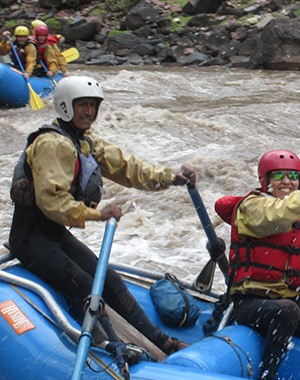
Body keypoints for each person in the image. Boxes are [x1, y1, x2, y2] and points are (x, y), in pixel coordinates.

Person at [7, 76, 194, 355]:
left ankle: (162, 342)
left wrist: (170, 178)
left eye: (93, 105)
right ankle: (111, 346)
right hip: (29, 238)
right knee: (84, 284)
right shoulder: (51, 144)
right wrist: (96, 214)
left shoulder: (85, 143)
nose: (89, 112)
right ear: (65, 106)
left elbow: (128, 168)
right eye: (82, 105)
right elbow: (51, 202)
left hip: (54, 234)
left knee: (110, 281)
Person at [213, 150, 300, 380]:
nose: (287, 181)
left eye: (293, 176)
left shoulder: (296, 221)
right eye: (279, 175)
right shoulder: (253, 207)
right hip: (249, 303)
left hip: (285, 300)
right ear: (265, 179)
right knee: (287, 310)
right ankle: (266, 378)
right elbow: (278, 215)